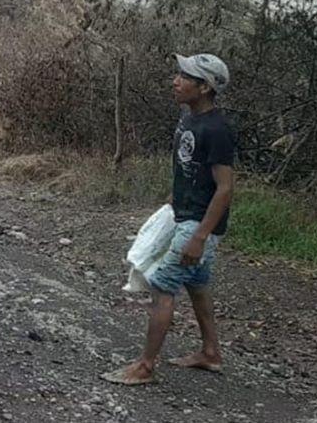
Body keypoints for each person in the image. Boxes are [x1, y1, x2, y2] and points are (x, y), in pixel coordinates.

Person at [103, 53, 235, 386]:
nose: (176, 81)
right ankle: (211, 353)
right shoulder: (188, 119)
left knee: (162, 287)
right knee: (197, 284)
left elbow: (225, 188)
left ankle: (145, 367)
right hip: (184, 215)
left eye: (185, 77)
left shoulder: (217, 130)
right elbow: (190, 170)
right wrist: (174, 201)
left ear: (204, 87)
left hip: (198, 224)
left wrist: (200, 236)